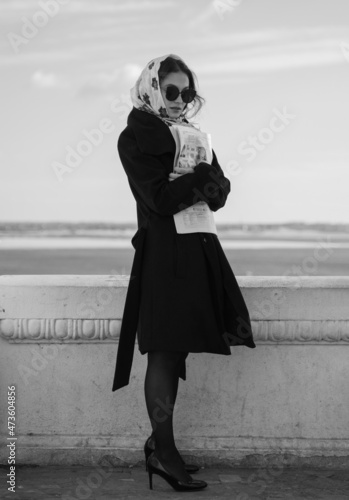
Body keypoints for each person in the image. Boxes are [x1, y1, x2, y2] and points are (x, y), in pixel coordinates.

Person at [112, 53, 256, 492]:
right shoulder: (133, 137)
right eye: (171, 91)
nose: (178, 100)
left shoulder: (194, 136)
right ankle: (164, 454)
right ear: (153, 87)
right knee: (164, 350)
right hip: (163, 256)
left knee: (179, 351)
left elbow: (220, 194)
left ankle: (160, 447)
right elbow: (157, 198)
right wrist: (201, 179)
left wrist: (204, 179)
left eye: (186, 93)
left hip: (197, 249)